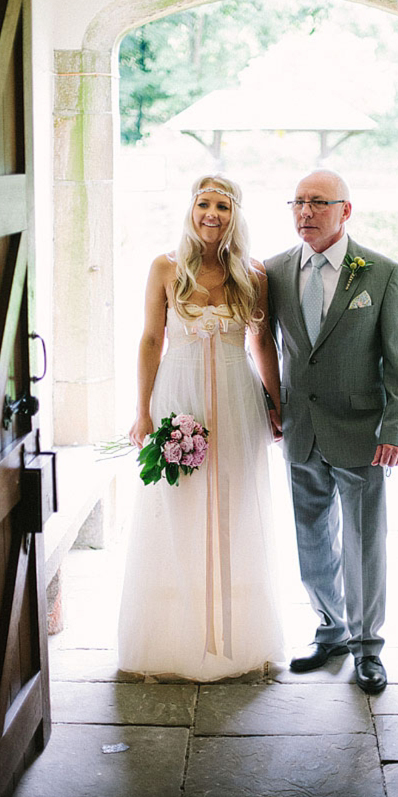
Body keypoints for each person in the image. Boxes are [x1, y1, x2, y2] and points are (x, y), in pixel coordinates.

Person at [118, 174, 283, 681]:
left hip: (236, 399)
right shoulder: (165, 267)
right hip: (180, 396)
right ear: (191, 209)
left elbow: (262, 345)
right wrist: (143, 410)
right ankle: (176, 635)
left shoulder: (254, 274)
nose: (212, 214)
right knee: (179, 505)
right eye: (204, 204)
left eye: (224, 206)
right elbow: (150, 340)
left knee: (234, 506)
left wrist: (277, 404)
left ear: (237, 214)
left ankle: (236, 635)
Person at [265, 169, 398, 694]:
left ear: (345, 211)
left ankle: (367, 647)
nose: (304, 212)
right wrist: (270, 406)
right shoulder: (275, 271)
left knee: (363, 542)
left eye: (318, 203)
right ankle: (329, 630)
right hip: (300, 430)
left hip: (361, 433)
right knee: (312, 539)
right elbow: (265, 347)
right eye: (298, 202)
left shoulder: (381, 272)